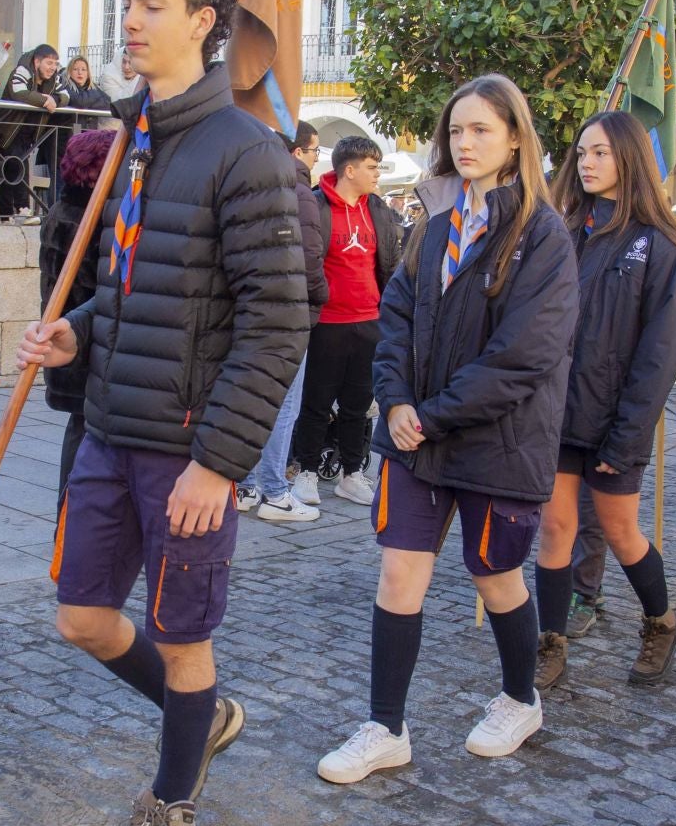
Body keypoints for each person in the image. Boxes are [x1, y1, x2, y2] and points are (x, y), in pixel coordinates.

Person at [17, 0, 307, 826]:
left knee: (184, 635)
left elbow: (276, 323)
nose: (130, 20)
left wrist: (221, 463)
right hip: (108, 426)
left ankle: (171, 810)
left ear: (204, 22)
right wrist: (83, 330)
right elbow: (147, 280)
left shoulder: (247, 153)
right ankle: (206, 711)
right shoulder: (136, 139)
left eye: (151, 4)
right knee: (83, 616)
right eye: (127, 1)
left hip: (189, 448)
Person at [316, 73, 577, 784]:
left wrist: (429, 415)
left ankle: (520, 699)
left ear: (516, 138)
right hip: (415, 439)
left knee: (495, 575)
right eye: (456, 131)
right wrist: (395, 400)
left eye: (482, 130)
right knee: (399, 574)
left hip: (497, 439)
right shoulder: (432, 220)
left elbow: (524, 355)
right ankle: (385, 726)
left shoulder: (544, 235)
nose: (465, 143)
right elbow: (394, 314)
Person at [534, 111, 676, 688]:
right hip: (556, 414)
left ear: (630, 158)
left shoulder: (663, 246)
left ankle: (661, 621)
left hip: (614, 420)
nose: (588, 163)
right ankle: (549, 641)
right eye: (582, 154)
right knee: (554, 529)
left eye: (600, 152)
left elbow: (660, 354)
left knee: (620, 529)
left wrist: (627, 435)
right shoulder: (562, 230)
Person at [292, 135, 400, 508]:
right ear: (348, 169)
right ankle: (305, 471)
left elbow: (388, 263)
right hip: (327, 321)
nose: (377, 175)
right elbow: (307, 261)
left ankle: (352, 474)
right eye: (371, 168)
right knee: (316, 402)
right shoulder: (316, 205)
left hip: (370, 319)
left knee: (358, 404)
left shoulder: (379, 209)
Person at [239, 122, 329, 522]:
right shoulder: (299, 191)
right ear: (295, 153)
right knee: (284, 404)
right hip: (288, 314)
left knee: (252, 400)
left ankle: (246, 485)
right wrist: (320, 297)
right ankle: (274, 490)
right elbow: (309, 260)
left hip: (252, 311)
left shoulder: (248, 185)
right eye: (313, 152)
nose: (314, 159)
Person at [40, 127, 118, 504]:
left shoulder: (60, 210)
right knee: (86, 450)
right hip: (85, 349)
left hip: (69, 346)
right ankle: (68, 540)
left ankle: (68, 537)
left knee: (79, 437)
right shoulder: (96, 220)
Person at [0, 44, 68, 222]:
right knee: (17, 163)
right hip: (7, 127)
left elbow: (65, 96)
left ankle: (4, 215)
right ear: (37, 61)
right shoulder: (22, 70)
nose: (53, 68)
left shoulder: (54, 78)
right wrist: (44, 101)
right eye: (49, 63)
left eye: (55, 64)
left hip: (28, 132)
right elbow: (19, 93)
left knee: (10, 167)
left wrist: (55, 99)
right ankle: (23, 208)